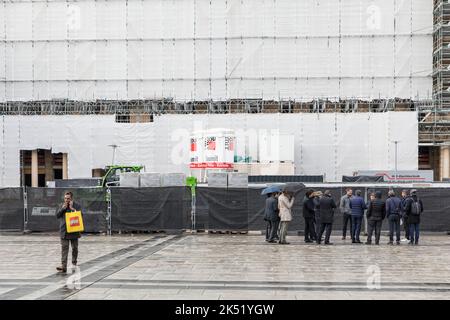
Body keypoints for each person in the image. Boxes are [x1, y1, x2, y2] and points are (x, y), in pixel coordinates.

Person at [55, 191, 82, 273]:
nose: (66, 200)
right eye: (65, 198)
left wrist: (73, 209)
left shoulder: (76, 206)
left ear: (71, 198)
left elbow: (80, 215)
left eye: (68, 198)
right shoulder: (61, 205)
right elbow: (57, 215)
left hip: (74, 231)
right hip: (64, 231)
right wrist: (63, 208)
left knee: (75, 248)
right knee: (64, 248)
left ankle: (74, 263)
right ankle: (64, 266)